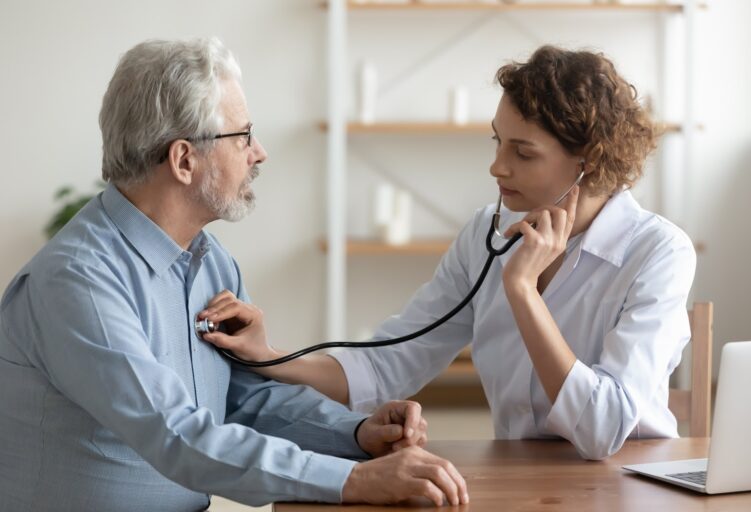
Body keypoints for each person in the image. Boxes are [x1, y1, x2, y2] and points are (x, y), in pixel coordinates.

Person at [0, 38, 469, 511]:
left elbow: (243, 400)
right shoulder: (78, 280)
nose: (259, 153)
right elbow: (174, 431)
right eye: (243, 136)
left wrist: (357, 432)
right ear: (184, 160)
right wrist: (354, 480)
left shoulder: (210, 262)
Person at [201, 46, 697, 461]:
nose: (496, 167)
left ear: (587, 164)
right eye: (498, 142)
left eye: (523, 153)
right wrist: (269, 357)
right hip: (520, 481)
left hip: (630, 484)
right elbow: (386, 364)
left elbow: (602, 429)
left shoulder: (657, 253)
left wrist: (523, 292)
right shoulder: (486, 234)